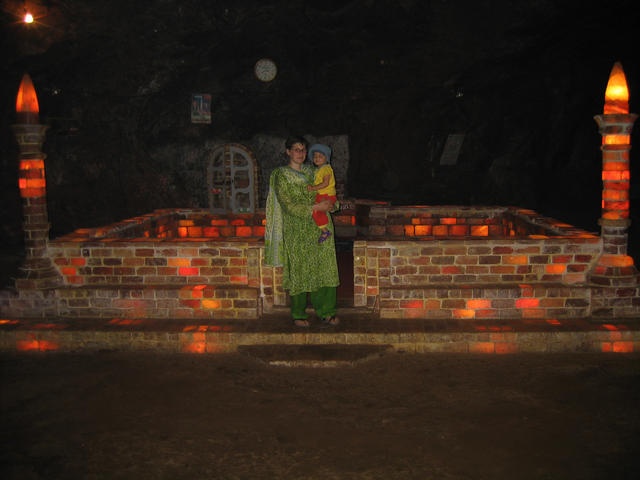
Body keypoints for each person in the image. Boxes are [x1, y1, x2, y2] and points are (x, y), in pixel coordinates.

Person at [265, 136, 340, 327]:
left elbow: (329, 191)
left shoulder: (314, 170)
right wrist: (315, 208)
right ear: (288, 151)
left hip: (322, 227)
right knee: (299, 269)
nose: (301, 153)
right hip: (297, 228)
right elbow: (288, 205)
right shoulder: (281, 175)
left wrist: (332, 205)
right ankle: (298, 313)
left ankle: (326, 311)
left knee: (325, 268)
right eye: (296, 149)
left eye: (303, 150)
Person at [306, 144, 337, 244]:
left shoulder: (326, 168)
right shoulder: (319, 169)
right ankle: (324, 230)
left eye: (320, 156)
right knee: (315, 211)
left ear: (326, 158)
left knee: (316, 210)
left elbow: (325, 183)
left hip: (327, 195)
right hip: (321, 195)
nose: (317, 158)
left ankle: (325, 231)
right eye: (315, 156)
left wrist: (312, 188)